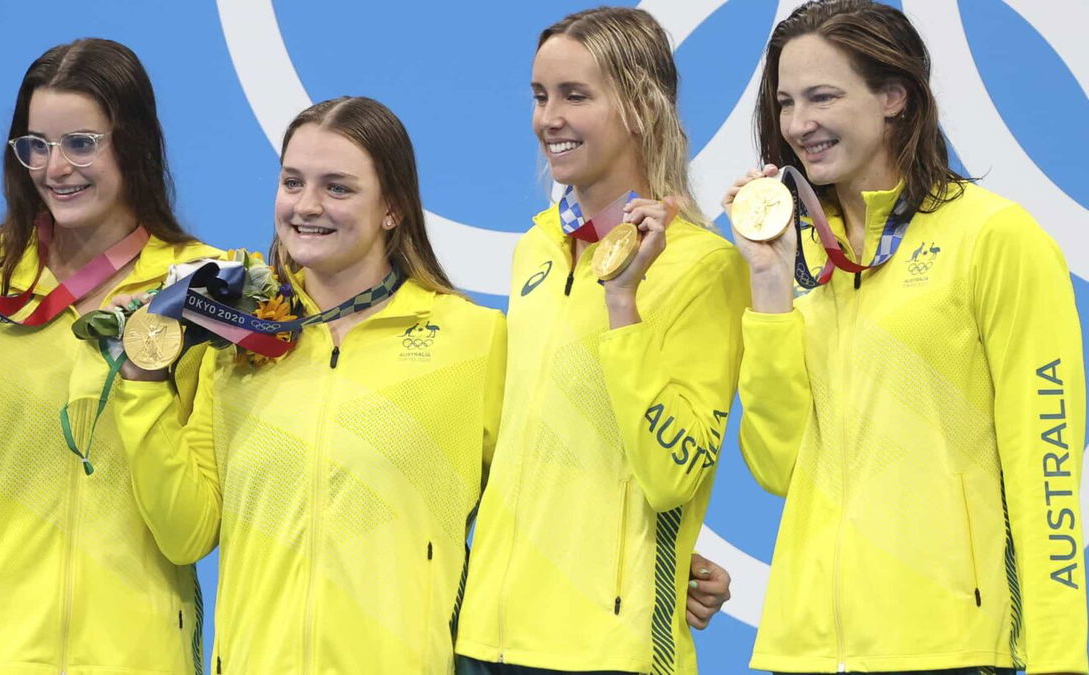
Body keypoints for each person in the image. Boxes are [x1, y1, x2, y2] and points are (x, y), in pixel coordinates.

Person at [726, 1, 1087, 673]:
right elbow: (777, 468)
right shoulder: (806, 260)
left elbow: (1048, 469)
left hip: (945, 648)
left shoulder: (994, 237)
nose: (799, 124)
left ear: (894, 96)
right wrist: (770, 286)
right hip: (805, 651)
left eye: (823, 96)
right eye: (785, 102)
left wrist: (1060, 659)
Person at [112, 96, 507, 673]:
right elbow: (187, 532)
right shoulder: (234, 342)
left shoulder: (473, 339)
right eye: (292, 182)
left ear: (392, 207)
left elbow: (538, 508)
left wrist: (675, 569)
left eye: (338, 188)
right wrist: (142, 382)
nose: (307, 206)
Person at [0, 38, 221, 674]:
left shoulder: (195, 293)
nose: (55, 168)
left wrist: (144, 380)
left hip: (133, 656)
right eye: (35, 145)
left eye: (81, 143)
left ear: (135, 142)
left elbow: (190, 534)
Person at [455, 7, 747, 673]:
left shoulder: (702, 268)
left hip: (607, 649)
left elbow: (674, 472)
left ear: (642, 108)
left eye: (574, 96)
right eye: (539, 96)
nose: (547, 118)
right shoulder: (536, 249)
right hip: (487, 636)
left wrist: (623, 302)